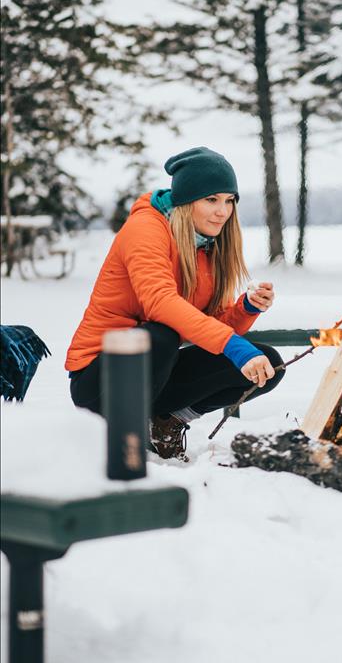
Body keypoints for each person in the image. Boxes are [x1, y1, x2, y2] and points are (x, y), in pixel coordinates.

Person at [65, 146, 284, 460]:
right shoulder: (146, 229)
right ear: (186, 201)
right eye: (211, 200)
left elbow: (205, 329)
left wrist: (245, 309)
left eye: (229, 200)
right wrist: (236, 346)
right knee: (161, 336)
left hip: (155, 375)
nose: (223, 211)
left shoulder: (207, 245)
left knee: (268, 363)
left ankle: (166, 421)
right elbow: (160, 302)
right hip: (99, 381)